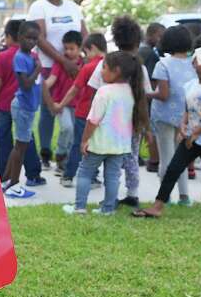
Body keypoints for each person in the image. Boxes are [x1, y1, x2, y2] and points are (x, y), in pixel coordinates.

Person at [134, 46, 201, 219]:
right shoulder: (191, 85)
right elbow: (188, 108)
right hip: (192, 137)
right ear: (194, 64)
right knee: (173, 169)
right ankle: (158, 206)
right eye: (200, 62)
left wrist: (196, 133)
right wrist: (183, 125)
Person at [63, 51, 148, 215]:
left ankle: (79, 207)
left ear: (116, 71)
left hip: (98, 143)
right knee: (113, 176)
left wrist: (84, 140)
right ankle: (108, 208)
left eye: (104, 67)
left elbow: (93, 120)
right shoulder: (133, 92)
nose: (101, 71)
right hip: (120, 145)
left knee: (85, 172)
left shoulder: (104, 91)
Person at [87, 16, 152, 208]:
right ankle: (132, 194)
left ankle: (110, 196)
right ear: (138, 41)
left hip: (108, 122)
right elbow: (145, 97)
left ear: (115, 39)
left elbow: (94, 91)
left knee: (110, 159)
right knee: (131, 158)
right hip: (132, 121)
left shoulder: (106, 63)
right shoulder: (139, 66)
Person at [27, 0, 88, 168]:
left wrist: (83, 58)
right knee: (48, 110)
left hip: (75, 66)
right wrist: (63, 62)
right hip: (48, 66)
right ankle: (45, 153)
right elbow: (40, 37)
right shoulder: (39, 7)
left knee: (73, 108)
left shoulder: (73, 8)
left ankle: (67, 154)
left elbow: (84, 33)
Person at [0, 19, 42, 192]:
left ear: (10, 36)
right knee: (26, 141)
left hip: (5, 105)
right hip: (22, 105)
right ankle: (33, 174)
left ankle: (4, 176)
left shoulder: (3, 56)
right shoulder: (32, 57)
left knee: (4, 141)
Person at [148, 25, 196, 205]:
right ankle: (184, 196)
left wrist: (147, 93)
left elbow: (163, 94)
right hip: (186, 116)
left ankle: (164, 196)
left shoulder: (163, 64)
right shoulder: (194, 63)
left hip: (164, 116)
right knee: (181, 158)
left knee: (166, 157)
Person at [55, 32, 107, 188]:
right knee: (97, 145)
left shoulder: (88, 67)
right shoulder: (112, 66)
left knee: (78, 144)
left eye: (86, 52)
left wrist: (61, 104)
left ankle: (68, 176)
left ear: (92, 48)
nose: (86, 56)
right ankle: (92, 177)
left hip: (84, 113)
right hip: (102, 115)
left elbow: (74, 90)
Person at [43, 30, 83, 175]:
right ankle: (60, 155)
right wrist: (40, 87)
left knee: (74, 135)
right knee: (67, 128)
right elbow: (51, 79)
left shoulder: (83, 63)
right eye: (66, 48)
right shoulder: (60, 63)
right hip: (60, 102)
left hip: (78, 104)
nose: (68, 52)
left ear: (80, 48)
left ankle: (66, 162)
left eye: (71, 48)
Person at [140, 22, 166, 172]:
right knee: (149, 128)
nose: (161, 39)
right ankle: (154, 160)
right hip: (148, 96)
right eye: (159, 36)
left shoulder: (145, 50)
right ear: (150, 35)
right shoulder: (148, 53)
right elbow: (151, 78)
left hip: (144, 96)